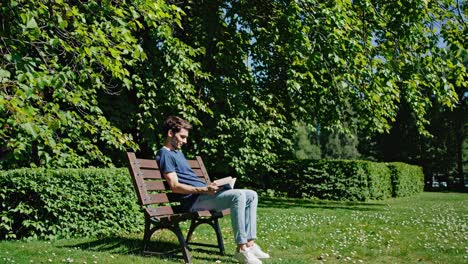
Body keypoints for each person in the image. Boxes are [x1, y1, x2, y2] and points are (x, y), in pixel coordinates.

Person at [156, 116, 270, 264]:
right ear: (170, 133)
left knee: (252, 195)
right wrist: (203, 188)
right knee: (239, 196)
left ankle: (250, 244)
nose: (185, 141)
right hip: (192, 201)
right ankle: (241, 249)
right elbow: (174, 186)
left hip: (202, 194)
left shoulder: (178, 153)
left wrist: (213, 186)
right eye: (182, 137)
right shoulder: (164, 154)